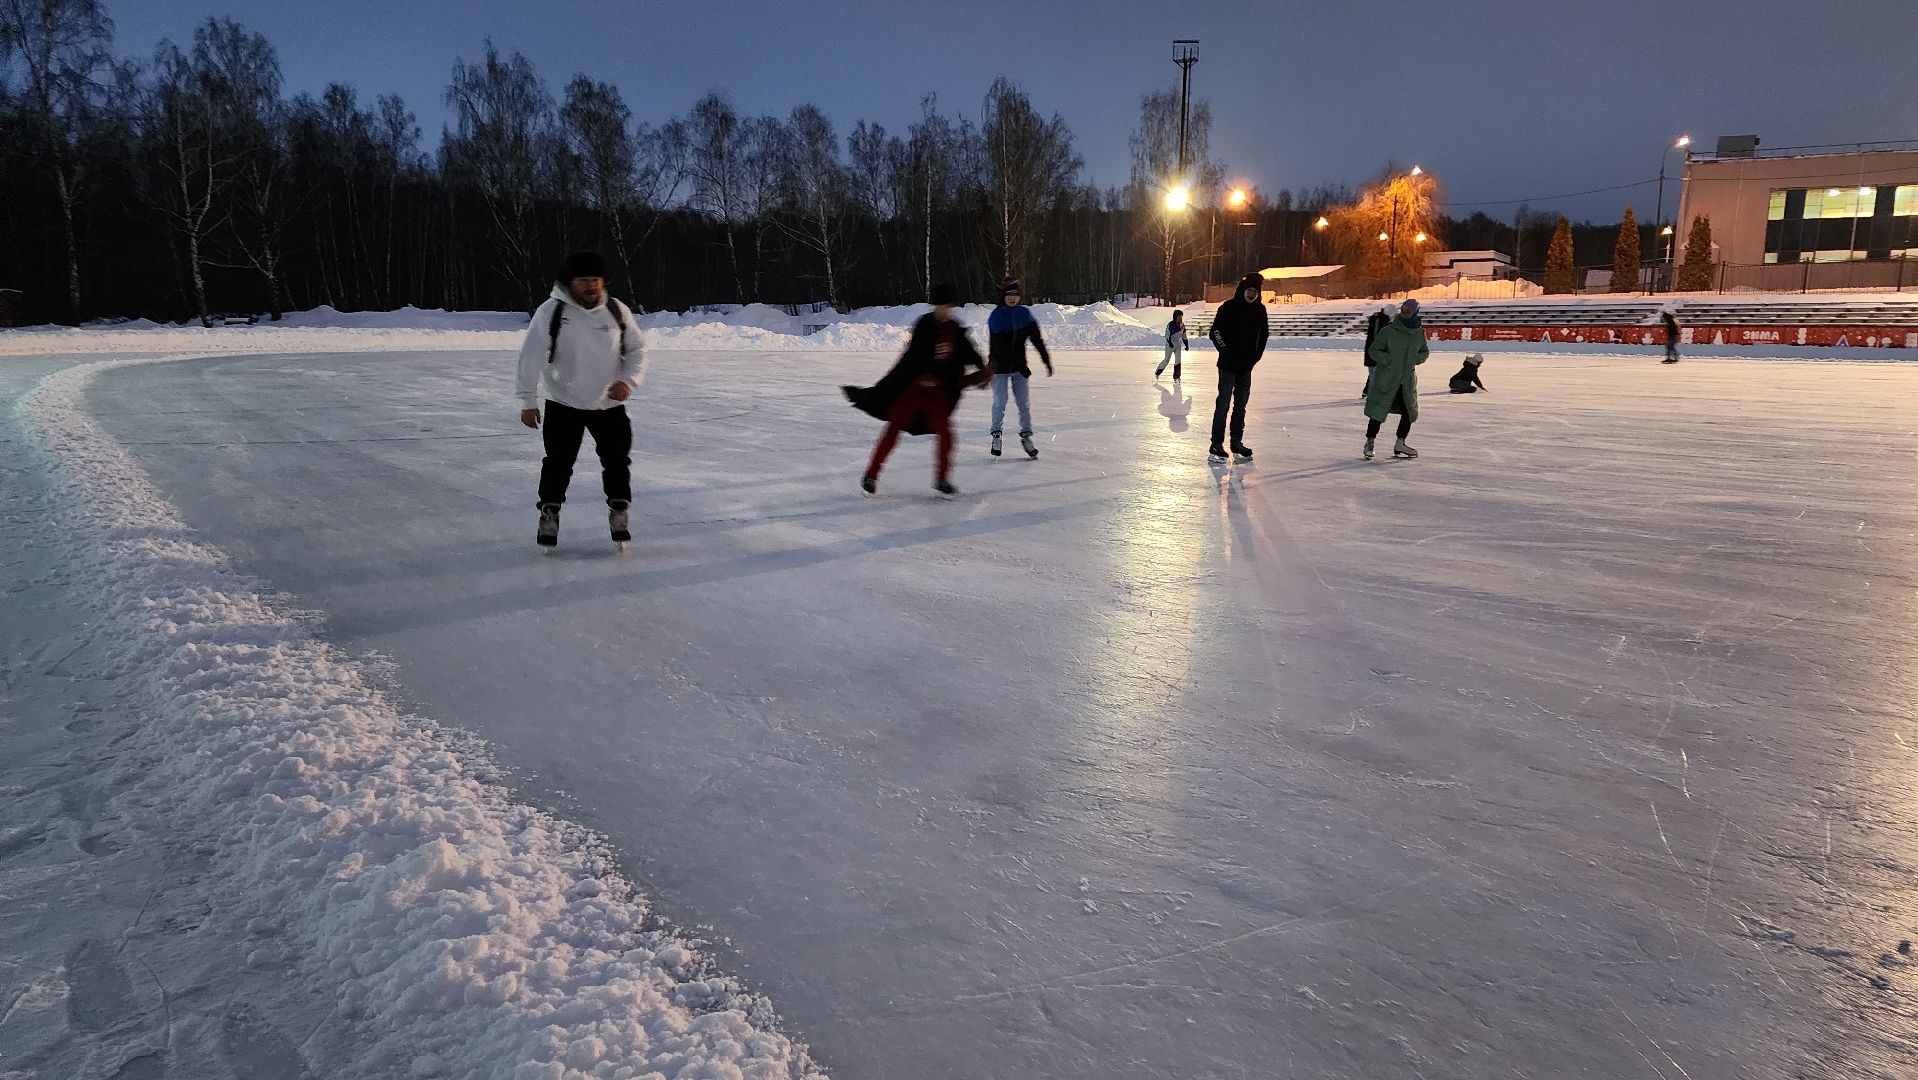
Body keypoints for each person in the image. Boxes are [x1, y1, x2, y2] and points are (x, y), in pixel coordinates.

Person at [516, 250, 646, 549]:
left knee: (617, 462)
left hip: (609, 405)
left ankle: (619, 510)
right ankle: (549, 512)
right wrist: (527, 400)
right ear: (569, 282)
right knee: (558, 464)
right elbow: (530, 356)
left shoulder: (616, 310)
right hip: (564, 404)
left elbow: (637, 349)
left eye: (596, 280)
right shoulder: (551, 312)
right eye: (584, 280)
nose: (591, 286)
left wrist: (628, 381)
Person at [844, 284, 990, 498]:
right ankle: (871, 475)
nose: (946, 310)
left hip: (937, 395)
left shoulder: (954, 329)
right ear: (935, 306)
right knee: (893, 429)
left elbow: (969, 352)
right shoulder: (924, 326)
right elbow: (912, 359)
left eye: (949, 306)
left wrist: (981, 369)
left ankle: (942, 479)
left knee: (947, 434)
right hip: (913, 390)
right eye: (942, 306)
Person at [1206, 272, 1270, 462]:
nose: (1252, 294)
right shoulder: (1228, 307)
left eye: (1255, 291)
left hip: (1245, 367)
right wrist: (1225, 351)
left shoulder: (1260, 310)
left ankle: (1236, 442)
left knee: (1240, 406)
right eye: (1249, 290)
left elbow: (1264, 335)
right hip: (1227, 365)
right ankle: (1216, 444)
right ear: (1243, 289)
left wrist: (1255, 357)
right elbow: (1215, 332)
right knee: (1223, 404)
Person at [985, 279, 1052, 458]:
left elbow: (1036, 339)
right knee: (1000, 402)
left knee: (1024, 404)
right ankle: (996, 434)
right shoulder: (997, 316)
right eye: (1009, 295)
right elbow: (1000, 347)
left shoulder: (1024, 314)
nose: (1013, 299)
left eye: (1016, 295)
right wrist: (1016, 364)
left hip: (1018, 368)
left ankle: (1026, 436)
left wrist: (1045, 359)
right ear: (1003, 297)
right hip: (999, 367)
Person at [1363, 297, 1429, 460]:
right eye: (1403, 310)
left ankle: (1400, 443)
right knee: (1378, 411)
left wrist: (1416, 359)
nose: (1405, 313)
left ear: (1415, 313)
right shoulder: (1389, 331)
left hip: (1406, 380)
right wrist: (1388, 360)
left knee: (1409, 412)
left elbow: (1424, 351)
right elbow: (1374, 350)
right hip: (1387, 378)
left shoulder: (1419, 333)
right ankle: (1370, 441)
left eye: (1409, 311)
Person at [1362, 305, 1392, 396]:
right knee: (1375, 373)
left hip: (1377, 352)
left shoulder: (1379, 320)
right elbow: (1377, 337)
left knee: (1375, 373)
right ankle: (1373, 394)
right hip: (1375, 352)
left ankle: (1368, 392)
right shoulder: (1379, 321)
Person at [1156, 309, 1188, 380]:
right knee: (1167, 359)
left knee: (1178, 360)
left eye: (1181, 317)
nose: (1180, 318)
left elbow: (1184, 335)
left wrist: (1186, 344)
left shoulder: (1182, 325)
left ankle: (1177, 376)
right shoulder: (1170, 324)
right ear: (1175, 317)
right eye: (1179, 317)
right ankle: (1158, 372)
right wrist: (1170, 342)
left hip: (1178, 345)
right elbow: (1167, 334)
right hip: (1170, 345)